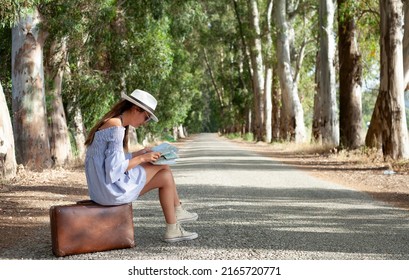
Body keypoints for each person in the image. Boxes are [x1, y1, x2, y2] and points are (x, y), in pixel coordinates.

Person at [84, 89, 198, 243]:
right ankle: (177, 211)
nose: (145, 122)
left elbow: (109, 161)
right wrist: (144, 158)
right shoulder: (116, 127)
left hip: (101, 191)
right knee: (162, 165)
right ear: (135, 109)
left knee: (165, 176)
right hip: (110, 191)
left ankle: (173, 228)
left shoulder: (114, 123)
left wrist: (138, 154)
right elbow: (113, 170)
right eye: (146, 117)